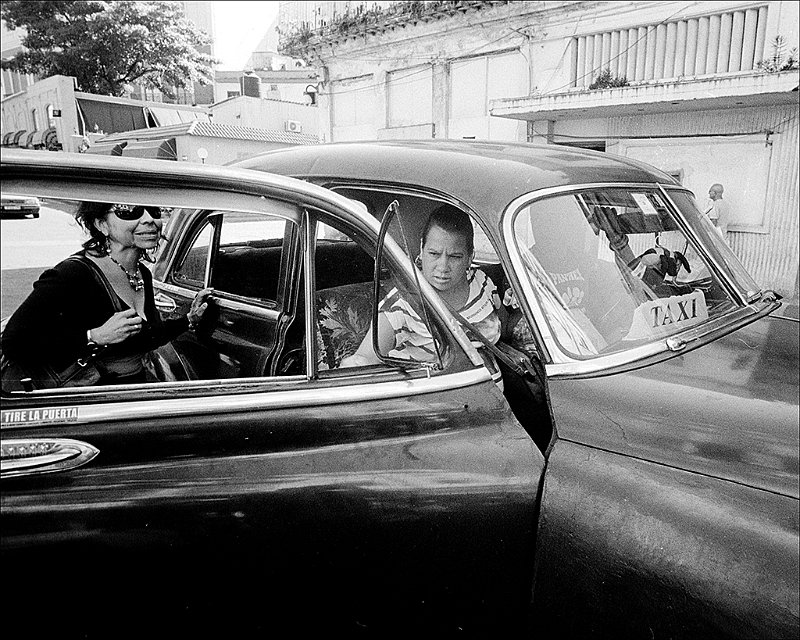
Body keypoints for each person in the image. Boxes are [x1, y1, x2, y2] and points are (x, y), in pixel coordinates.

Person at [2, 202, 212, 386]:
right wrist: (93, 336)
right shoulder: (74, 273)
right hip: (90, 400)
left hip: (132, 390)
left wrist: (189, 320)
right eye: (129, 211)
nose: (149, 220)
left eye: (154, 211)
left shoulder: (141, 273)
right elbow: (14, 342)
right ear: (101, 224)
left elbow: (145, 338)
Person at [340, 204, 502, 367]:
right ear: (421, 248)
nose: (443, 266)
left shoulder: (482, 282)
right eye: (434, 254)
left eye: (455, 256)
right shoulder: (401, 305)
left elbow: (507, 328)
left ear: (469, 257)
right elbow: (362, 360)